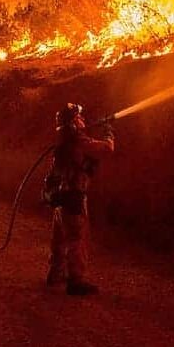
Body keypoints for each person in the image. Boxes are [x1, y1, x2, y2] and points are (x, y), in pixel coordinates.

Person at [44, 102, 115, 296]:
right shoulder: (78, 141)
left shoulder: (63, 142)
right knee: (77, 238)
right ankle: (76, 281)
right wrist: (108, 132)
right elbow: (106, 149)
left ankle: (55, 273)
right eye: (79, 118)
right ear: (73, 122)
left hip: (61, 198)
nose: (83, 120)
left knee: (58, 238)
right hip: (74, 196)